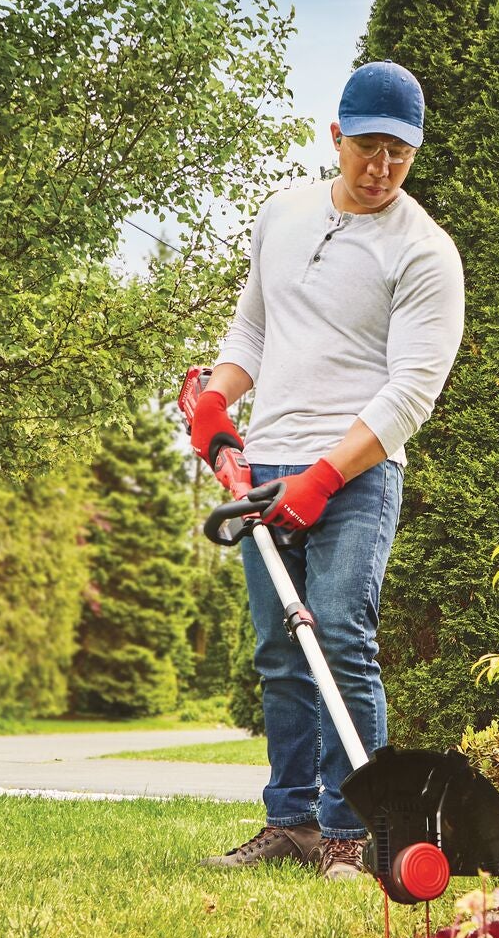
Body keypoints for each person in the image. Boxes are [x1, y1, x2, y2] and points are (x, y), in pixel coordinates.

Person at [188, 61, 465, 879]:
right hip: (264, 464)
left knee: (340, 639)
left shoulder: (424, 253)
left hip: (356, 473)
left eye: (400, 154)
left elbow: (410, 394)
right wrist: (216, 398)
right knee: (279, 652)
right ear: (335, 136)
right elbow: (253, 331)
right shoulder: (283, 214)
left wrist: (324, 478)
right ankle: (291, 823)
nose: (382, 169)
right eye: (368, 148)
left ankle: (354, 833)